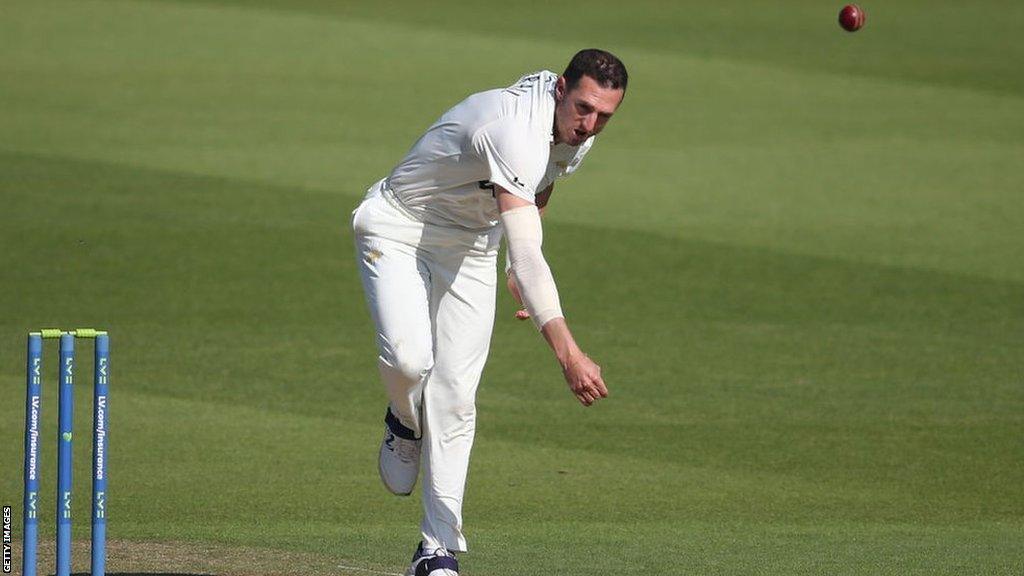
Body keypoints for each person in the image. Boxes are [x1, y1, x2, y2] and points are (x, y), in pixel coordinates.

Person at [351, 49, 627, 576]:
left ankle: (436, 552)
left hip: (473, 246)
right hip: (399, 225)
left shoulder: (575, 133)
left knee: (456, 394)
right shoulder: (511, 127)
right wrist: (568, 355)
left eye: (605, 117)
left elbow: (540, 188)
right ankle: (405, 420)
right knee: (410, 363)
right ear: (560, 88)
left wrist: (510, 265)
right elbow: (528, 249)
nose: (590, 125)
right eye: (584, 109)